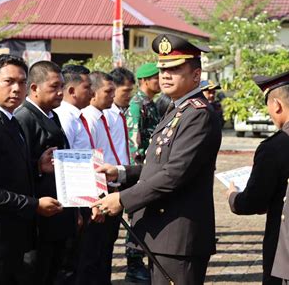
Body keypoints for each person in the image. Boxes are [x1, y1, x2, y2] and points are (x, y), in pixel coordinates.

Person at [92, 33, 222, 285]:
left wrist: (122, 198)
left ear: (196, 75)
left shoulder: (197, 115)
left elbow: (175, 173)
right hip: (163, 232)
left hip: (179, 236)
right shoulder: (177, 109)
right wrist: (121, 172)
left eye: (174, 69)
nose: (165, 75)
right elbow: (158, 164)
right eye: (163, 69)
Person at [0, 54, 62, 285]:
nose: (17, 89)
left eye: (22, 82)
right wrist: (34, 205)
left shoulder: (8, 119)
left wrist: (37, 166)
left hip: (12, 238)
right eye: (9, 82)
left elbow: (4, 171)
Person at [14, 60, 76, 284]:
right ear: (34, 88)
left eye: (62, 85)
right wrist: (37, 167)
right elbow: (17, 167)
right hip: (39, 218)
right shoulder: (24, 118)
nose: (61, 92)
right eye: (54, 87)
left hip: (58, 214)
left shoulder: (52, 115)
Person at [227, 70, 289, 285]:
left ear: (276, 105)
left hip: (285, 255)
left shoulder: (274, 148)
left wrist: (233, 197)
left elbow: (252, 202)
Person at [53, 64, 104, 285]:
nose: (92, 92)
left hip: (85, 198)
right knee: (71, 264)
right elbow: (68, 166)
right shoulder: (65, 117)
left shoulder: (76, 116)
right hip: (75, 202)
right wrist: (80, 208)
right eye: (87, 87)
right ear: (71, 91)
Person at [123, 62, 162, 284]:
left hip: (150, 170)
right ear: (145, 81)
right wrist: (138, 175)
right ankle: (134, 265)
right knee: (136, 218)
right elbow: (134, 142)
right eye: (156, 77)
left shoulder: (152, 104)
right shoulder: (138, 105)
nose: (161, 81)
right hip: (140, 172)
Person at [81, 71, 119, 284]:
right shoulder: (89, 118)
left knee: (105, 250)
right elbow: (90, 161)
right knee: (92, 254)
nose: (112, 96)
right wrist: (98, 198)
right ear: (93, 93)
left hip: (110, 189)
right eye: (108, 91)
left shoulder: (103, 117)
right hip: (98, 195)